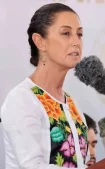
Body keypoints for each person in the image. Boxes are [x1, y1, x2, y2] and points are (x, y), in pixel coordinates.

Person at [1, 3, 89, 169]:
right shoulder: (22, 99)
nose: (76, 42)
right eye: (66, 33)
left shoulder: (71, 102)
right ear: (40, 41)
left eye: (80, 34)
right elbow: (32, 166)